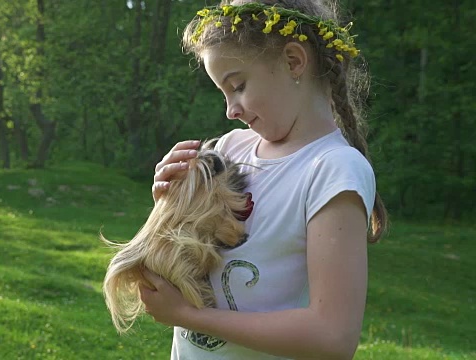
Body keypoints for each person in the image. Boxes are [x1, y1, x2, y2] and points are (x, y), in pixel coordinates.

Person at [140, 0, 388, 359]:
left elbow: (333, 338)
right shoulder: (231, 149)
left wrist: (191, 317)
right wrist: (170, 201)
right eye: (223, 93)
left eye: (237, 86)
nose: (230, 110)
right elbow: (194, 253)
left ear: (293, 61)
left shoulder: (333, 170)